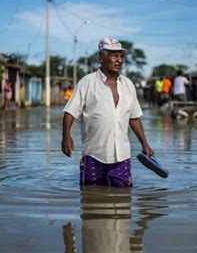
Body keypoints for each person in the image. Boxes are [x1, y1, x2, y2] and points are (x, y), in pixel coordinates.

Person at [61, 37, 154, 188]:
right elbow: (70, 112)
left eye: (121, 56)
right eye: (114, 55)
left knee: (123, 200)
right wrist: (66, 136)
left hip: (122, 156)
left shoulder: (128, 85)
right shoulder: (87, 82)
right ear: (101, 58)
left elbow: (134, 118)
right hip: (93, 155)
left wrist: (145, 145)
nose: (119, 60)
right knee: (90, 197)